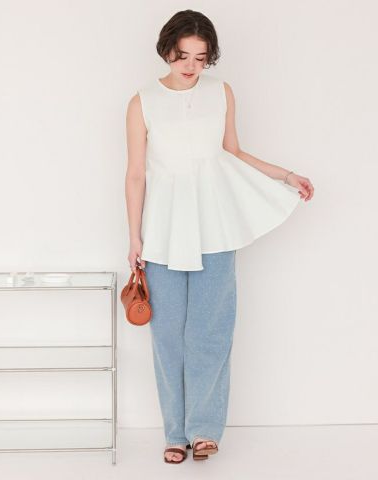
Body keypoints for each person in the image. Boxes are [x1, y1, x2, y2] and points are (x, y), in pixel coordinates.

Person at [125, 9, 314, 464]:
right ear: (166, 51)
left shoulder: (221, 92)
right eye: (182, 56)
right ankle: (175, 433)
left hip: (214, 226)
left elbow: (232, 153)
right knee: (168, 336)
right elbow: (135, 174)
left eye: (201, 57)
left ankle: (204, 429)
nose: (191, 65)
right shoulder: (142, 101)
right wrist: (134, 237)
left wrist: (285, 175)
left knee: (210, 333)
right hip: (163, 232)